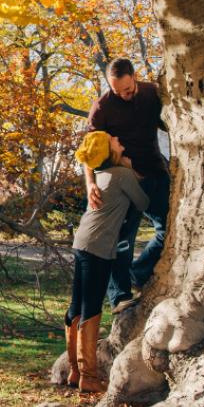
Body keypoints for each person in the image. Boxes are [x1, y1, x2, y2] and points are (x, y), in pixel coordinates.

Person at [65, 131, 149, 393]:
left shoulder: (101, 176)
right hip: (98, 247)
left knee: (76, 306)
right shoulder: (121, 175)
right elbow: (143, 202)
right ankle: (89, 377)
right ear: (108, 150)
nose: (117, 138)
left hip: (82, 242)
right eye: (112, 139)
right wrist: (131, 170)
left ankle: (75, 371)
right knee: (90, 308)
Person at [85, 58, 170, 314]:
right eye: (116, 91)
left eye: (128, 89)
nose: (124, 95)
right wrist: (90, 185)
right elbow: (88, 152)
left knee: (168, 230)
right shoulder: (102, 108)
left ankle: (138, 273)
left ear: (134, 77)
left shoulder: (152, 94)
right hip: (123, 179)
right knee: (121, 241)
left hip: (155, 173)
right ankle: (120, 296)